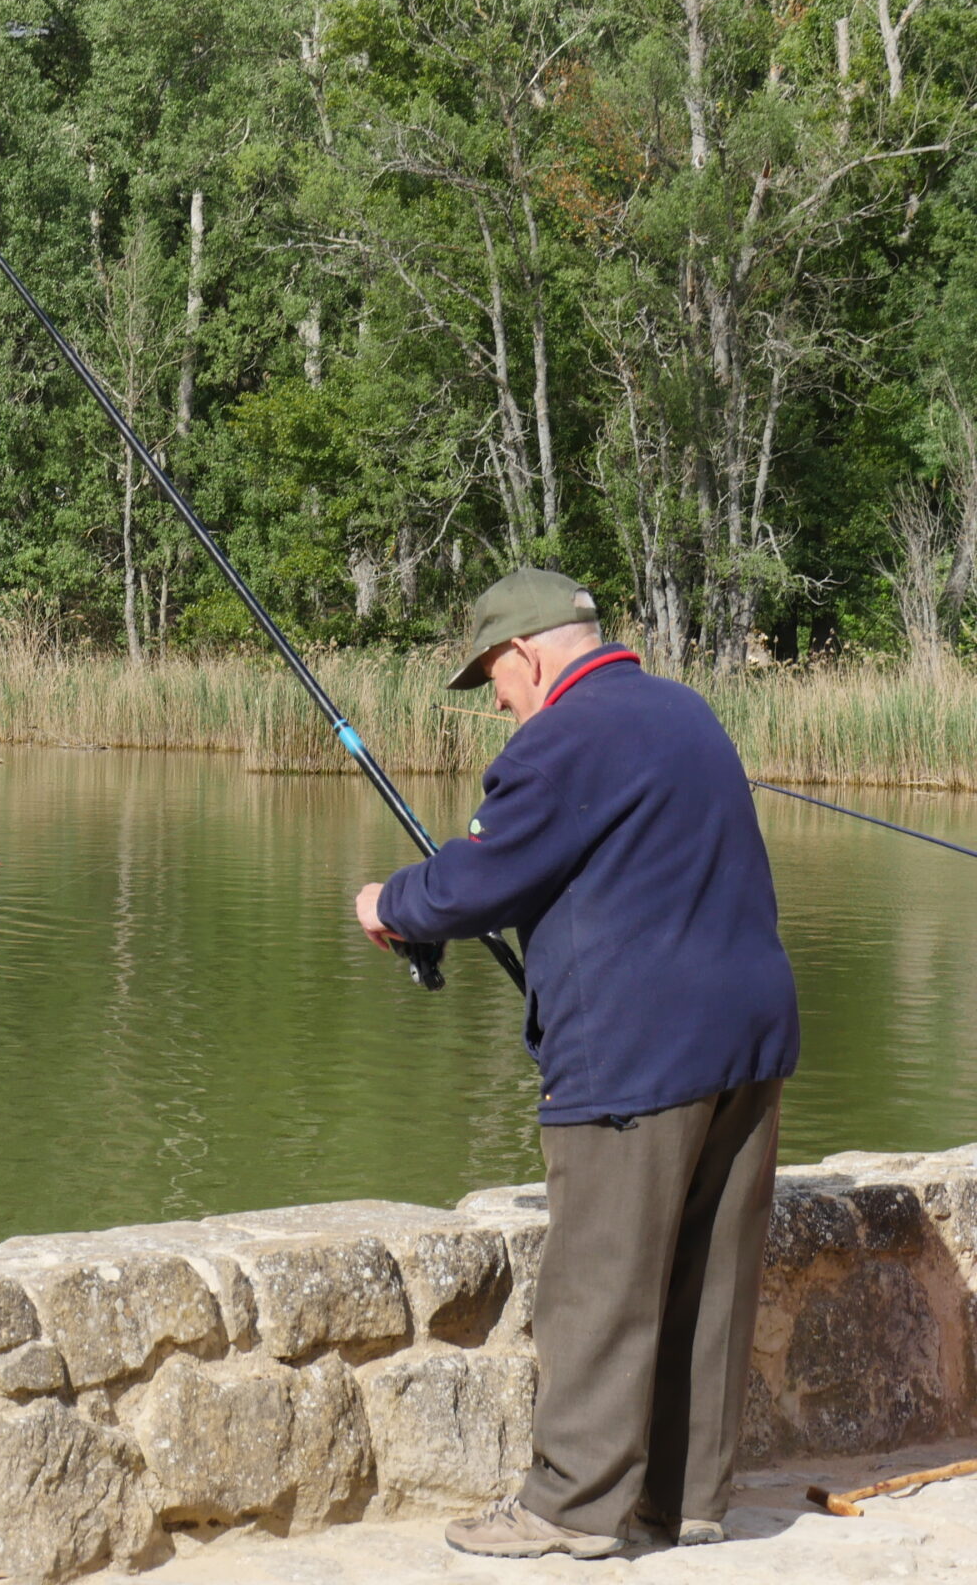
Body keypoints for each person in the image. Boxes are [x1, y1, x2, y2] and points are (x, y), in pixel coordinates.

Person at [354, 567, 800, 1559]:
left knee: (599, 1280)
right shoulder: (684, 712)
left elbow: (475, 879)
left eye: (493, 678)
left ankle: (570, 1507)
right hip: (748, 1036)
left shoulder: (559, 739)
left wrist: (389, 905)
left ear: (525, 652)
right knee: (708, 1277)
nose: (498, 703)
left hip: (635, 1051)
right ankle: (683, 1498)